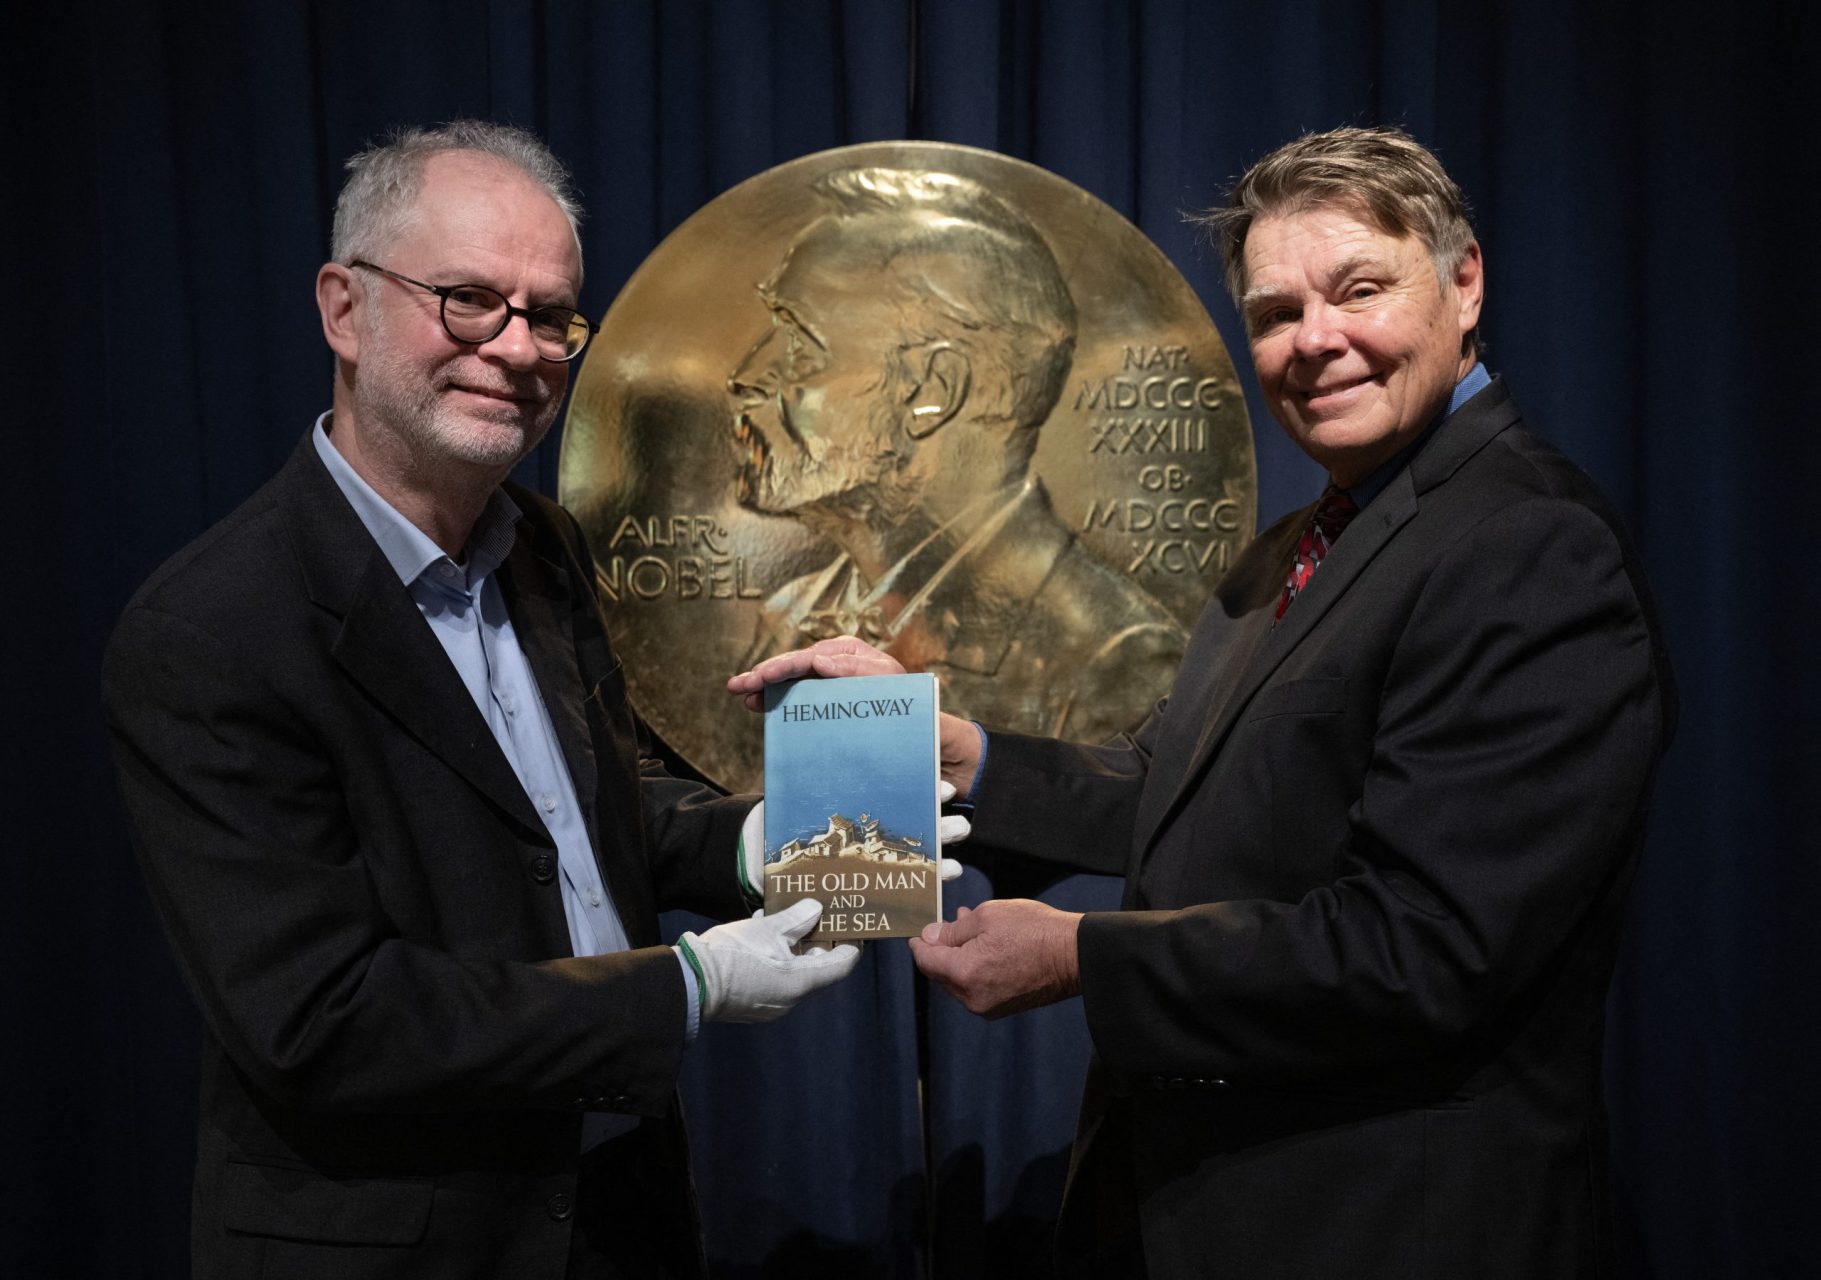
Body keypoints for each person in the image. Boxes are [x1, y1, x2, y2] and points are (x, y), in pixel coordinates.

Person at [732, 126, 1677, 1278]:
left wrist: (1086, 957)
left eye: (1359, 291)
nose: (1314, 339)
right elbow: (1182, 792)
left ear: (1465, 282)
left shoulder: (1530, 548)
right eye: (1277, 312)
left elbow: (1421, 950)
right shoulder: (1301, 543)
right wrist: (962, 751)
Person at [103, 121, 863, 1280]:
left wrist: (763, 838)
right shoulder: (210, 630)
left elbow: (581, 821)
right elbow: (324, 1017)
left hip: (618, 1212)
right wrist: (688, 985)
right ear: (344, 309)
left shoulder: (542, 547)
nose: (517, 348)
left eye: (551, 315)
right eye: (468, 301)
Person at [728, 167, 1186, 743]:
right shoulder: (789, 613)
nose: (745, 375)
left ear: (932, 390)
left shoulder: (1118, 658)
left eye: (798, 344)